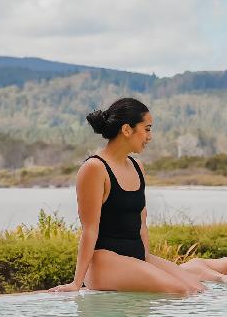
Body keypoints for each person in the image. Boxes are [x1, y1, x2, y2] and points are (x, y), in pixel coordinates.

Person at [49, 98, 205, 294]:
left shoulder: (137, 166)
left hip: (135, 257)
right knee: (179, 290)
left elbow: (142, 222)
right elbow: (89, 230)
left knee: (198, 289)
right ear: (126, 130)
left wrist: (146, 260)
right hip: (105, 263)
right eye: (147, 129)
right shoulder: (95, 168)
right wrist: (76, 283)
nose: (150, 136)